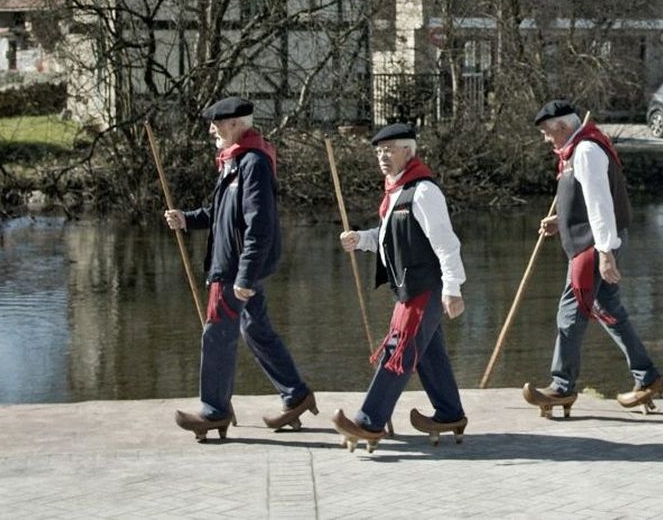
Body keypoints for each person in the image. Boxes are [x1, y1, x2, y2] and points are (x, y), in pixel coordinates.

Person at [165, 96, 315, 440]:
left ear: (236, 124)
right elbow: (220, 213)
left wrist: (246, 276)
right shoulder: (233, 162)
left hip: (234, 269)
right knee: (255, 330)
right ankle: (296, 395)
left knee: (217, 332)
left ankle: (214, 410)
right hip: (233, 265)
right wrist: (186, 219)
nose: (211, 129)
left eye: (217, 123)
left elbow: (258, 224)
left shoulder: (252, 163)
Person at [522, 100, 663, 416]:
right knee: (607, 309)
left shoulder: (585, 151)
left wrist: (605, 254)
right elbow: (586, 201)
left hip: (592, 248)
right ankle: (649, 377)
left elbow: (601, 205)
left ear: (562, 127)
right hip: (594, 243)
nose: (546, 139)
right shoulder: (576, 151)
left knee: (570, 314)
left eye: (547, 132)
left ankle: (561, 387)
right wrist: (561, 220)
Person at [331, 123, 469, 451]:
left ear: (408, 150)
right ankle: (450, 413)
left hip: (426, 288)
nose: (382, 156)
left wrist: (453, 287)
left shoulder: (423, 191)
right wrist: (362, 239)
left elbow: (446, 243)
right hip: (410, 288)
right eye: (378, 151)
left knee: (398, 351)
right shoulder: (396, 190)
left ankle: (369, 421)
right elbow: (389, 235)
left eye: (389, 149)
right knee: (427, 353)